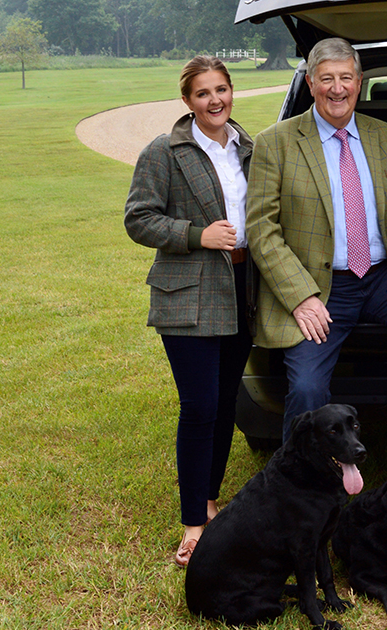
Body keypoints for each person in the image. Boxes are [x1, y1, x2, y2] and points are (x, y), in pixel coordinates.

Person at [246, 38, 387, 474]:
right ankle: (298, 481)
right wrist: (301, 296)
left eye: (345, 78)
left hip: (381, 278)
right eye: (326, 79)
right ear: (311, 83)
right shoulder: (276, 142)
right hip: (319, 287)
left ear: (359, 83)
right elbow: (262, 228)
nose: (337, 89)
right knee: (304, 388)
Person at [124, 56, 254, 567]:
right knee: (199, 407)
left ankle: (209, 497)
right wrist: (195, 235)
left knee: (225, 404)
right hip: (189, 291)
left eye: (221, 89)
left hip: (243, 286)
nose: (215, 100)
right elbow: (138, 219)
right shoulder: (165, 151)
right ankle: (193, 525)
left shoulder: (251, 147)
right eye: (203, 93)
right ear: (187, 100)